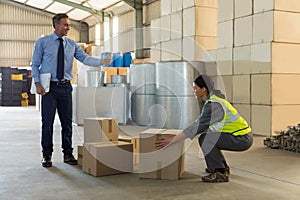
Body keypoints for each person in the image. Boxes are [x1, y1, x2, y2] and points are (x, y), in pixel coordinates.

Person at [31, 13, 112, 168]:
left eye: (69, 24)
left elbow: (85, 59)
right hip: (49, 88)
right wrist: (37, 83)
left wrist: (100, 61)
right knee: (47, 123)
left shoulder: (72, 44)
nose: (68, 28)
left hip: (65, 88)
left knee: (67, 123)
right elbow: (35, 64)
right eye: (65, 25)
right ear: (56, 25)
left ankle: (68, 153)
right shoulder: (43, 42)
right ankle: (46, 155)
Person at [155, 74, 253, 183]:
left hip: (241, 138)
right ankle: (221, 167)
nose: (193, 90)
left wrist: (172, 140)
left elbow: (196, 127)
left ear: (203, 89)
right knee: (207, 135)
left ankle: (219, 172)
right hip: (239, 135)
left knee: (205, 138)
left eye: (195, 88)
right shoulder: (213, 100)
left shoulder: (213, 105)